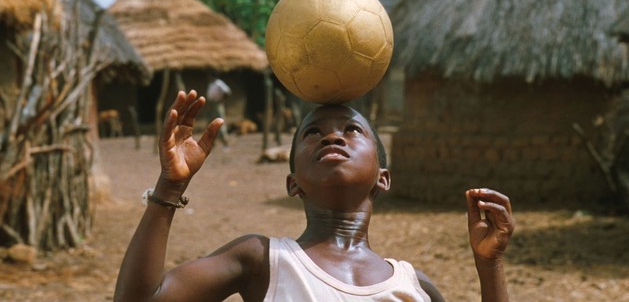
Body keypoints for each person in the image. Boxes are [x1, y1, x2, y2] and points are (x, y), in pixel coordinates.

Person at [114, 90, 515, 302]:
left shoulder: (415, 287)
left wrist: (490, 264)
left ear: (384, 178)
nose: (333, 135)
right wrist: (169, 188)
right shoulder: (262, 260)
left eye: (353, 130)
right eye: (312, 132)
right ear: (293, 184)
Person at [206, 76, 232, 147]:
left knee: (220, 122)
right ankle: (211, 142)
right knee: (211, 123)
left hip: (217, 103)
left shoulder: (219, 83)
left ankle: (225, 141)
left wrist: (222, 100)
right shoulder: (211, 84)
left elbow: (227, 92)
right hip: (211, 104)